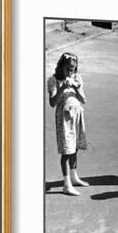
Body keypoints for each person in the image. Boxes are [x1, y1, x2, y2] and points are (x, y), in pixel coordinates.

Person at [48, 52, 88, 196]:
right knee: (66, 150)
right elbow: (52, 103)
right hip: (64, 119)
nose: (70, 72)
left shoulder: (77, 78)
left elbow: (83, 100)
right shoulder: (53, 80)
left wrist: (77, 88)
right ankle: (66, 184)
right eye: (67, 69)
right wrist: (62, 88)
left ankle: (74, 176)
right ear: (61, 67)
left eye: (73, 69)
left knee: (75, 147)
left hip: (76, 116)